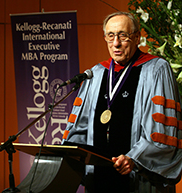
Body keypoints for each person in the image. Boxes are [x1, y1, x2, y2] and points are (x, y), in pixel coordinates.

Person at [62, 11, 182, 193]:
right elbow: (81, 127)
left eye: (123, 36)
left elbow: (162, 132)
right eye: (110, 36)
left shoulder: (157, 70)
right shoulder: (96, 74)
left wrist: (133, 158)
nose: (116, 43)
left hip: (139, 178)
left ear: (136, 37)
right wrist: (68, 150)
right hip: (99, 178)